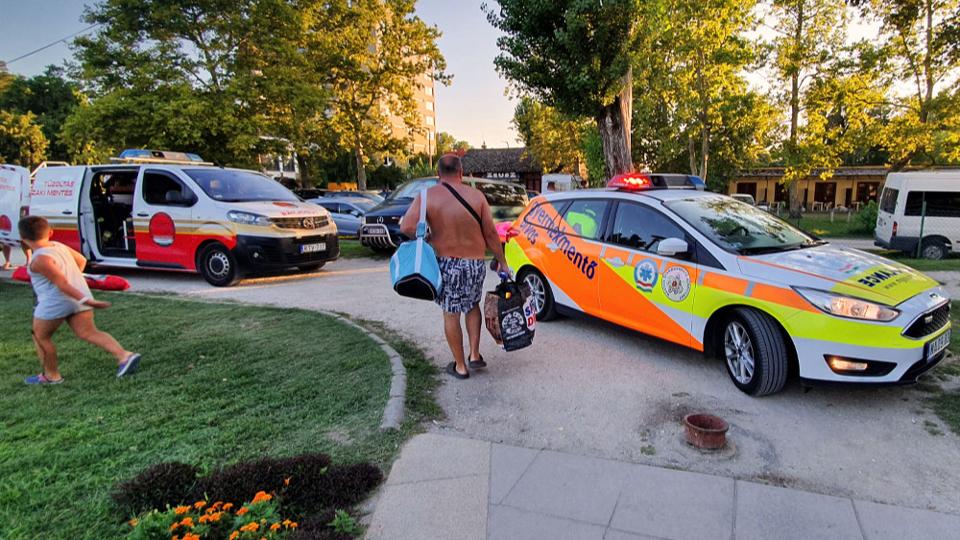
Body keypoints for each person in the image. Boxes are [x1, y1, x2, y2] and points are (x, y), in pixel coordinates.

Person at [400, 154, 511, 380]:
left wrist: (428, 236)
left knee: (451, 313)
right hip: (474, 262)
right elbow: (490, 234)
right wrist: (502, 260)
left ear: (439, 174)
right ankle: (474, 354)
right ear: (461, 172)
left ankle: (460, 366)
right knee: (472, 306)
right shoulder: (476, 196)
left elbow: (406, 226)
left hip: (446, 263)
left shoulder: (426, 196)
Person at [17, 216, 141, 385]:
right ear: (50, 232)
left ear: (22, 238)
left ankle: (51, 376)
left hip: (55, 302)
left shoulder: (40, 259)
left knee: (40, 336)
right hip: (79, 296)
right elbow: (81, 260)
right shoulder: (58, 246)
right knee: (89, 332)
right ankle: (124, 356)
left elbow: (61, 283)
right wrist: (80, 292)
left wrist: (86, 300)